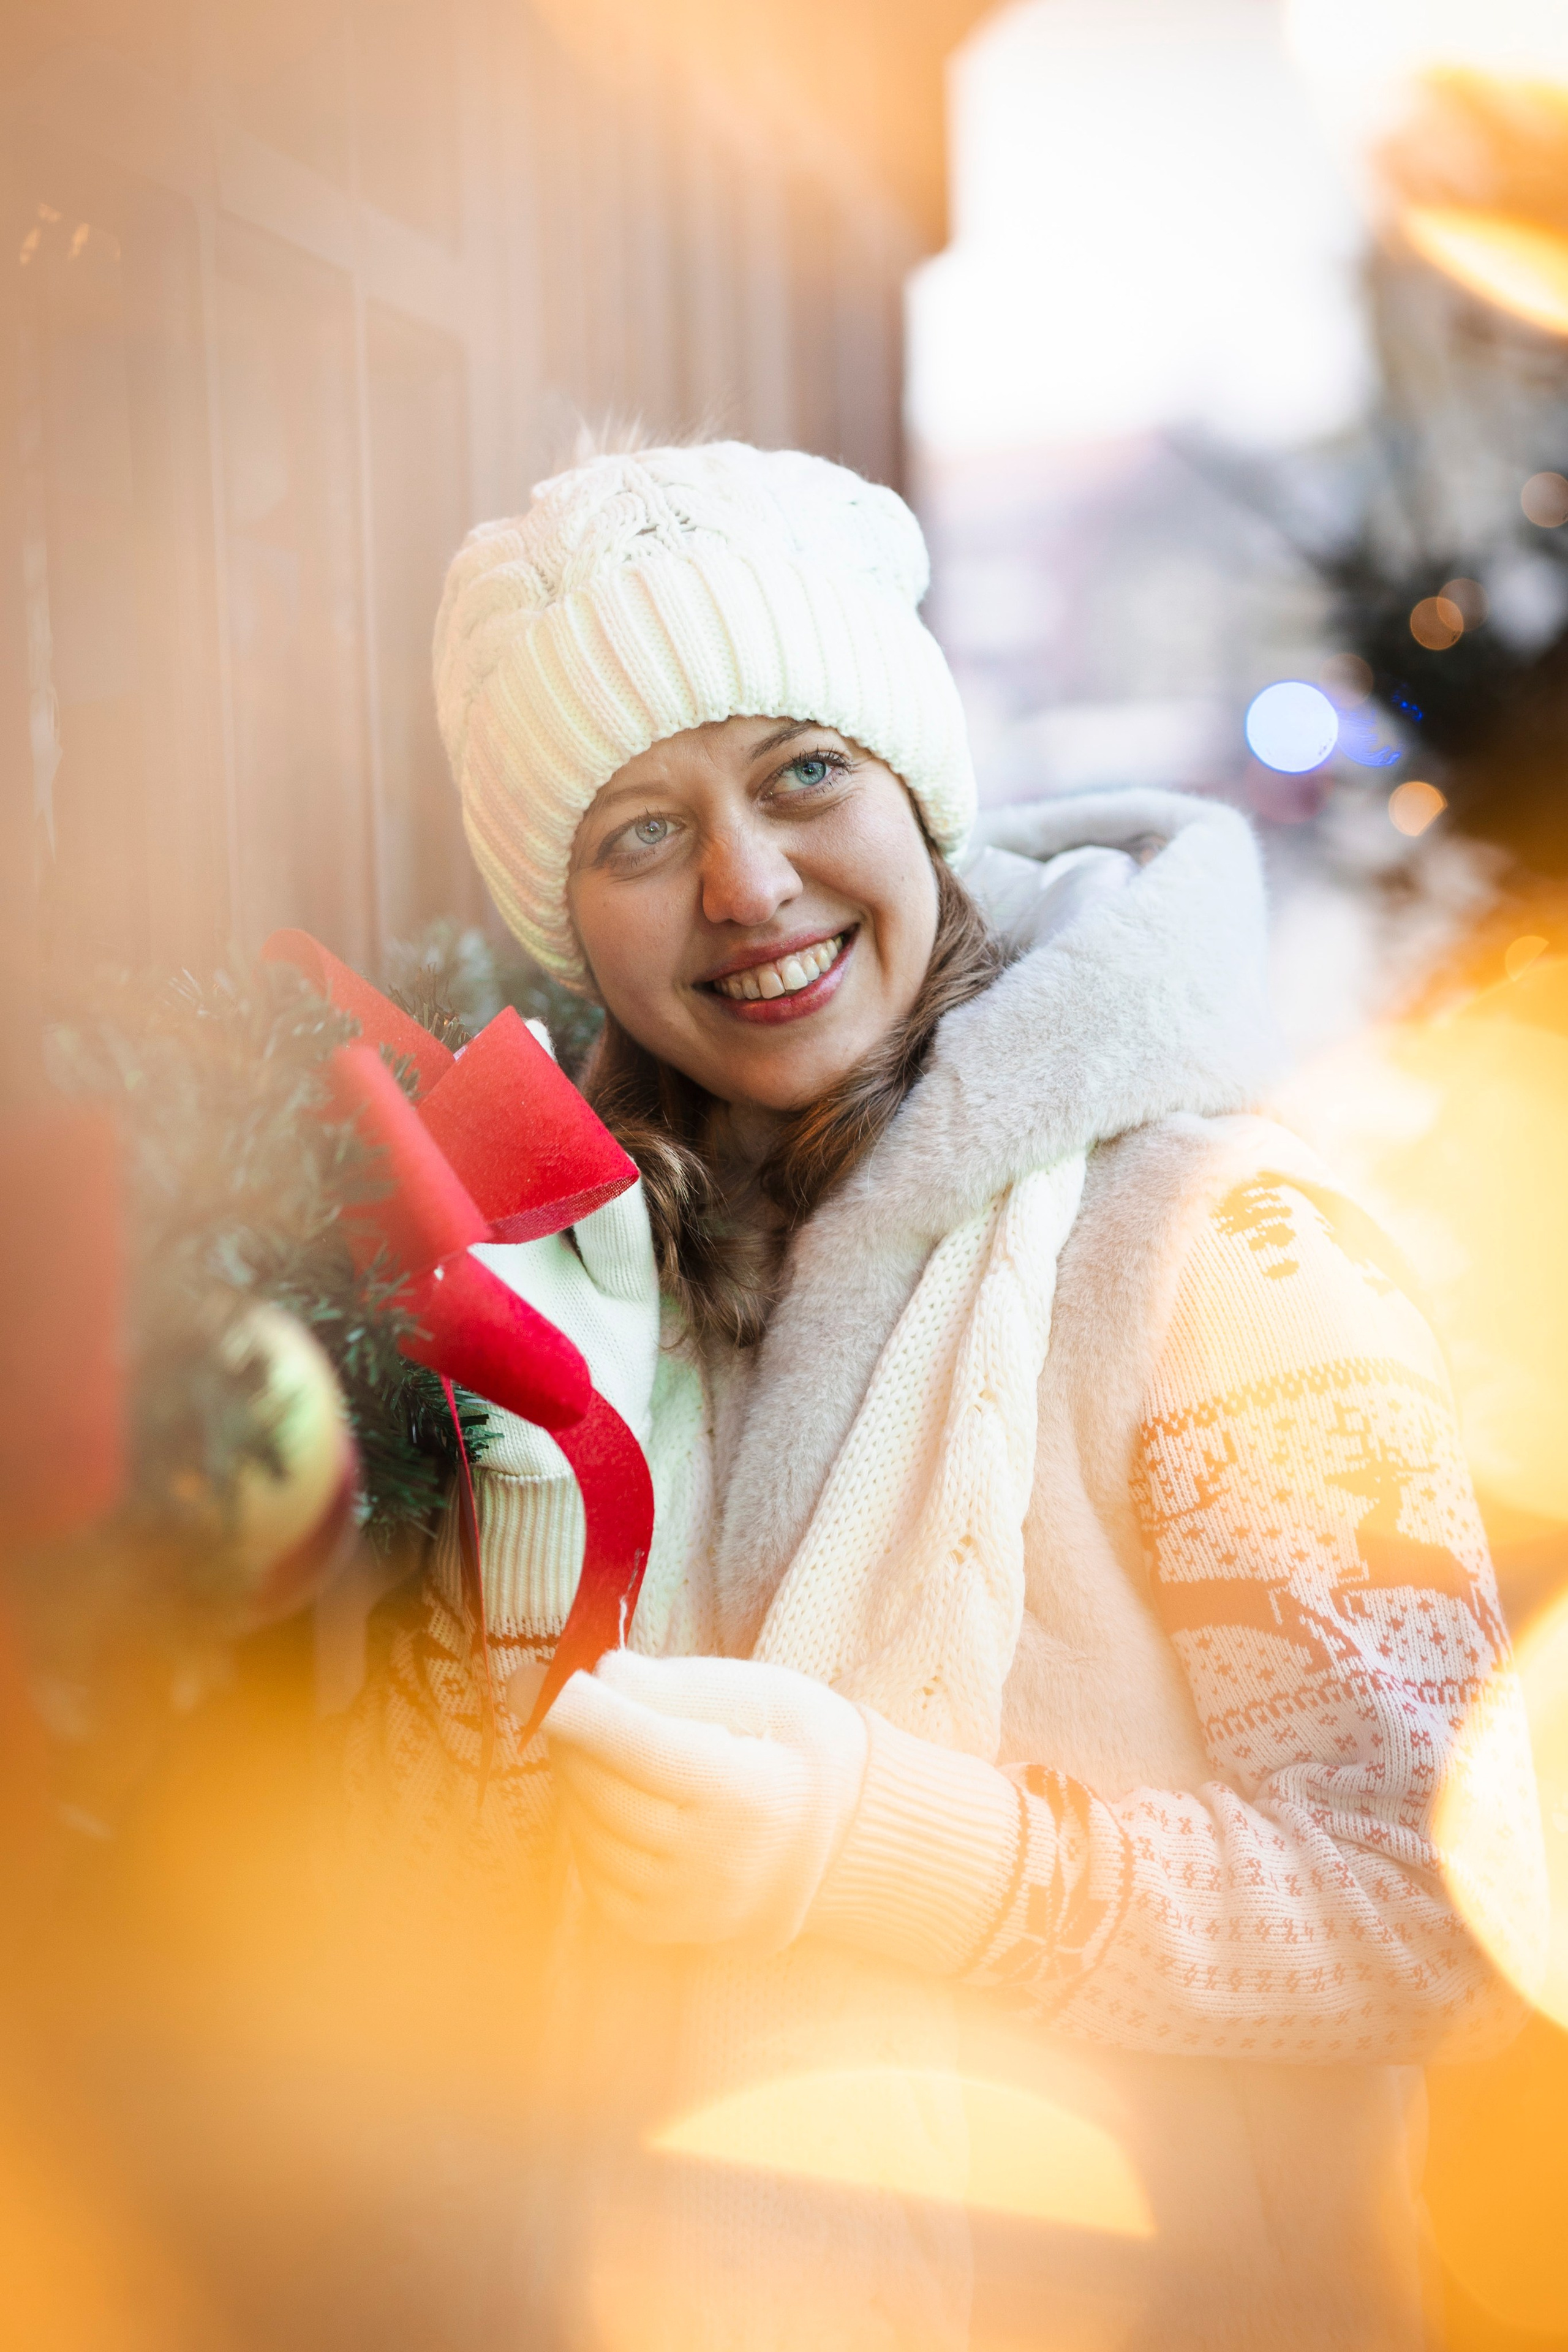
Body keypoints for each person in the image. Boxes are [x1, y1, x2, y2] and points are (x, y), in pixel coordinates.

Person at [353, 440, 1540, 2352]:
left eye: (803, 772)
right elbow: (459, 1918)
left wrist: (895, 1852)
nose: (748, 886)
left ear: (914, 783)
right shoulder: (588, 1289)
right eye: (640, 834)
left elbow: (1453, 1910)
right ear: (565, 910)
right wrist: (512, 1567)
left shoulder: (1219, 1250)